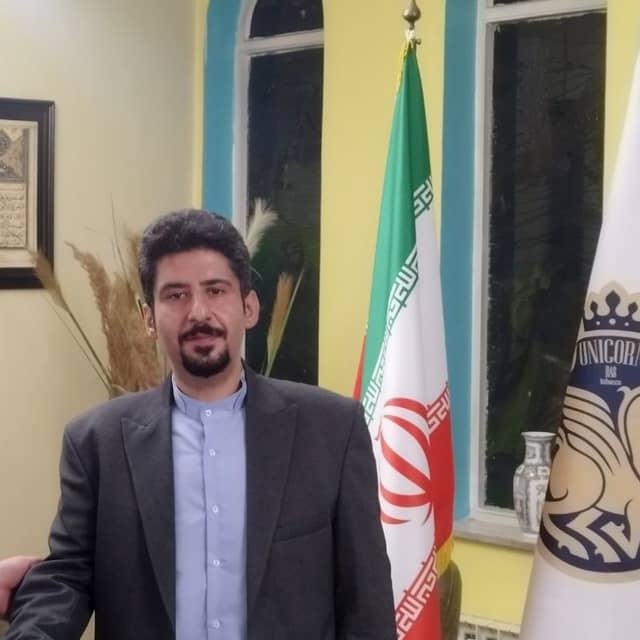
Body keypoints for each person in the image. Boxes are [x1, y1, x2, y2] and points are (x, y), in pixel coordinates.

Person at [6, 209, 396, 640]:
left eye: (215, 290)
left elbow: (367, 601)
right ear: (148, 318)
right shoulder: (96, 441)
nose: (198, 312)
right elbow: (68, 577)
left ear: (249, 307)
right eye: (175, 295)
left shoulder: (332, 431)